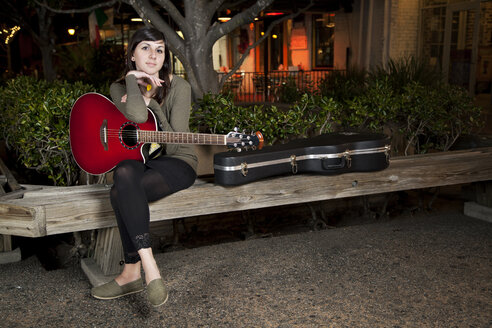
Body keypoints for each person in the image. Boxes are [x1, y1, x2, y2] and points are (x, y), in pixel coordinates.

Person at [90, 27, 198, 307]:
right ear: (133, 55)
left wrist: (153, 103)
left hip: (177, 163)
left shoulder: (180, 87)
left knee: (118, 193)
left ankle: (131, 272)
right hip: (143, 163)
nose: (153, 55)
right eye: (145, 48)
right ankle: (149, 264)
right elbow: (136, 116)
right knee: (123, 171)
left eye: (159, 49)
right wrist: (132, 81)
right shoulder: (119, 86)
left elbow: (176, 143)